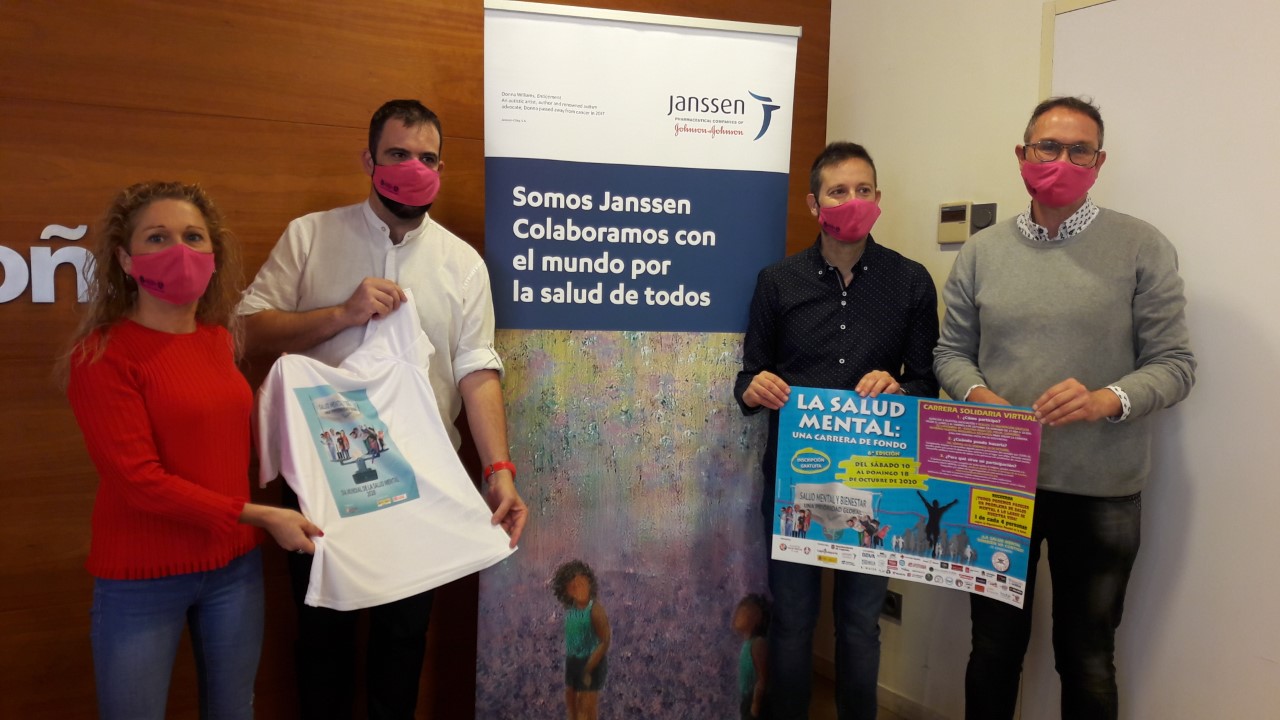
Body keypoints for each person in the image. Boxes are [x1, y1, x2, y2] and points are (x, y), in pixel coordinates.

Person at [237, 99, 528, 718]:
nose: (413, 168)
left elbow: (477, 372)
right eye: (398, 154)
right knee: (323, 642)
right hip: (321, 480)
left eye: (427, 158)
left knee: (402, 644)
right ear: (369, 160)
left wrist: (499, 471)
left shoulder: (462, 264)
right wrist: (341, 315)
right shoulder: (310, 236)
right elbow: (247, 330)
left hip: (418, 481)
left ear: (441, 169)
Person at [934, 96, 1196, 720]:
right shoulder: (981, 252)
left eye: (1080, 150)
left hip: (1101, 489)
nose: (1062, 160)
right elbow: (950, 354)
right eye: (1048, 147)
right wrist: (982, 398)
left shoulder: (1141, 246)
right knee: (992, 649)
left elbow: (1175, 364)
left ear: (1099, 162)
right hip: (1000, 481)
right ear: (1022, 154)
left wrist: (1107, 399)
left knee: (1087, 657)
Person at [62, 181, 322, 719]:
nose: (179, 250)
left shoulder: (218, 340)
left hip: (234, 569)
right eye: (157, 237)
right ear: (126, 260)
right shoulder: (103, 355)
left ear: (213, 255)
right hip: (142, 576)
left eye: (193, 237)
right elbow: (139, 481)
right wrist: (261, 515)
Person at [734, 141, 940, 720]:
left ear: (879, 197)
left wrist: (901, 387)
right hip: (795, 484)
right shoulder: (777, 282)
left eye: (863, 190)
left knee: (858, 622)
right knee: (793, 619)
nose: (853, 200)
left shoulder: (911, 282)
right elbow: (749, 376)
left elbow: (927, 384)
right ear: (813, 203)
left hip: (876, 481)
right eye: (838, 191)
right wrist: (755, 387)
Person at [551, 560, 611, 720]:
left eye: (582, 584)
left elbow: (605, 641)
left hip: (591, 662)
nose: (578, 589)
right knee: (572, 707)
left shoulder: (595, 610)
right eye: (573, 586)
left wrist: (588, 668)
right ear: (566, 590)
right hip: (573, 662)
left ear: (590, 584)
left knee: (585, 708)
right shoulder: (571, 610)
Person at [732, 593, 770, 720]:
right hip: (747, 698)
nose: (736, 616)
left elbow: (762, 679)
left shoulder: (758, 644)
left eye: (743, 613)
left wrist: (755, 705)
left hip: (753, 700)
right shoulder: (747, 643)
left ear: (756, 620)